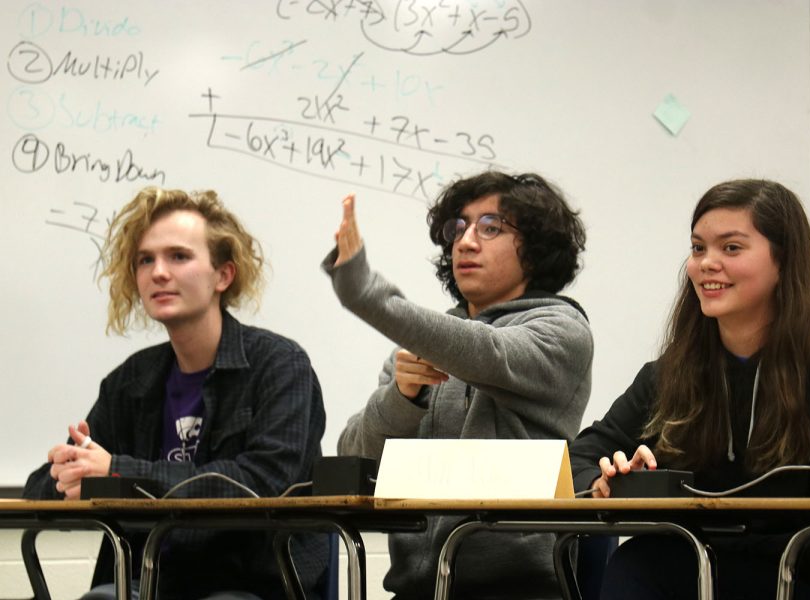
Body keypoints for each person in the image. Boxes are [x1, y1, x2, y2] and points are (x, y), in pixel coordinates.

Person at [569, 179, 810, 599]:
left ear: (783, 261)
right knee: (639, 564)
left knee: (652, 563)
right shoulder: (675, 371)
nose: (706, 263)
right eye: (697, 248)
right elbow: (580, 456)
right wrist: (605, 478)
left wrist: (715, 541)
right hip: (709, 571)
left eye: (731, 248)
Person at [23, 187, 329, 600]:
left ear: (223, 275)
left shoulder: (281, 364)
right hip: (148, 580)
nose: (158, 272)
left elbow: (261, 484)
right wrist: (65, 473)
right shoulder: (132, 380)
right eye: (145, 260)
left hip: (249, 584)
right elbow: (38, 489)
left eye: (178, 257)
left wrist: (118, 472)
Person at [323, 171, 592, 599]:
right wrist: (400, 398)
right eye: (458, 228)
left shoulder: (560, 330)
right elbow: (353, 456)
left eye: (491, 228)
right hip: (415, 590)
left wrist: (365, 292)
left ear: (537, 249)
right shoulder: (422, 344)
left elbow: (485, 351)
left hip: (517, 591)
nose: (465, 243)